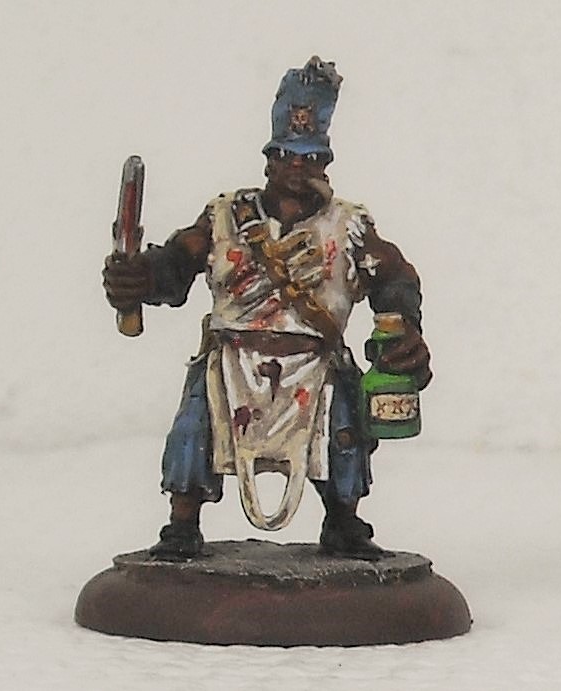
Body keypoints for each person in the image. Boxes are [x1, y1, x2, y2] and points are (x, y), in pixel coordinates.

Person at [103, 56, 432, 561]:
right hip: (233, 361)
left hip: (314, 363)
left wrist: (405, 327)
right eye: (287, 157)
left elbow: (393, 276)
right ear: (270, 160)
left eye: (310, 158)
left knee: (343, 428)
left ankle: (343, 519)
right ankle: (182, 524)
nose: (297, 169)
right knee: (194, 426)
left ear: (324, 163)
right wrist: (140, 278)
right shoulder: (225, 217)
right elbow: (177, 263)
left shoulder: (349, 226)